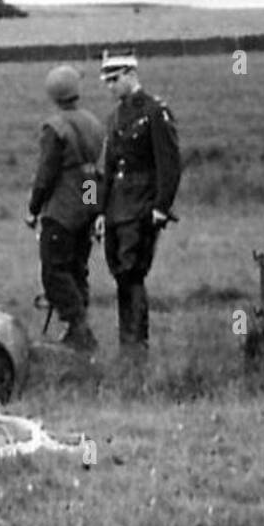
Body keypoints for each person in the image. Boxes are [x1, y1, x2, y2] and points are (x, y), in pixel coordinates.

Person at [94, 50, 181, 355]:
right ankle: (126, 343)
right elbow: (108, 167)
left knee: (132, 274)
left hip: (142, 206)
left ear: (131, 75)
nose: (111, 87)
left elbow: (169, 164)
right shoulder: (115, 116)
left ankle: (135, 347)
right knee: (119, 274)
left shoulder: (155, 111)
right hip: (117, 207)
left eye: (115, 79)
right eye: (107, 81)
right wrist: (101, 212)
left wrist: (161, 206)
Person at [25, 65, 106, 352]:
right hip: (88, 198)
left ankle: (79, 327)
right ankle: (77, 329)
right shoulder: (94, 122)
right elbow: (94, 168)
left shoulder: (54, 127)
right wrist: (94, 210)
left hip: (62, 207)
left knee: (54, 271)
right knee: (77, 268)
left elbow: (46, 174)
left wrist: (33, 208)